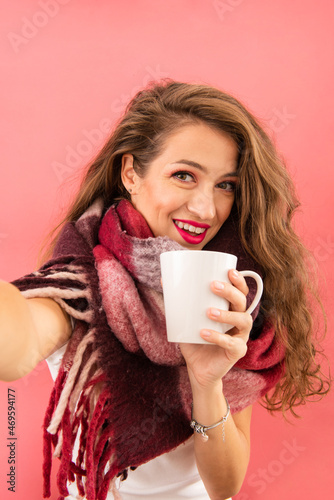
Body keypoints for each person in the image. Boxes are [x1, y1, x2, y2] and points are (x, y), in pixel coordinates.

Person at [0, 80, 330, 500]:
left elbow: (224, 485)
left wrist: (207, 382)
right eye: (184, 176)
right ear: (131, 174)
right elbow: (22, 333)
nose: (206, 209)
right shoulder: (80, 280)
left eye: (225, 185)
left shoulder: (238, 288)